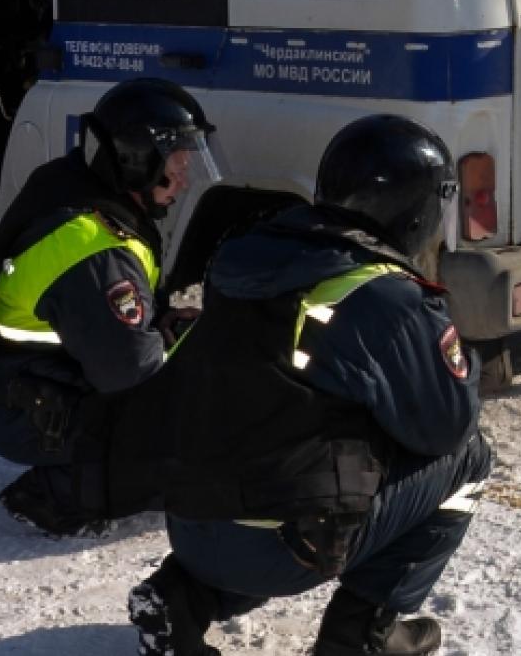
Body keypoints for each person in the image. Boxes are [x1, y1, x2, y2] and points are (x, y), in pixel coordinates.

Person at [127, 115, 491, 656]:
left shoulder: (243, 257)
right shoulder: (386, 297)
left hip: (191, 522)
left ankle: (182, 598)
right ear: (417, 209)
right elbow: (446, 425)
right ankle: (359, 636)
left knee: (271, 447)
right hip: (281, 546)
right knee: (469, 457)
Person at [0, 77, 220, 537]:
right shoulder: (94, 246)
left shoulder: (81, 187)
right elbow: (129, 369)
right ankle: (61, 493)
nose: (184, 176)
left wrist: (161, 321)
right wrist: (183, 342)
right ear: (136, 161)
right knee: (188, 428)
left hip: (30, 382)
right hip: (31, 409)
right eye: (177, 162)